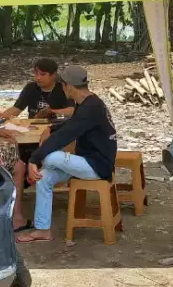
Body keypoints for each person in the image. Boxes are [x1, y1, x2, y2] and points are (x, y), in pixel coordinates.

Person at [17, 65, 117, 243]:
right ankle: (43, 230)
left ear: (68, 86)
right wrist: (52, 127)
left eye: (62, 85)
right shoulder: (88, 102)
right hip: (86, 160)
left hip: (97, 165)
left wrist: (34, 159)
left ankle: (32, 172)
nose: (62, 88)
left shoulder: (90, 108)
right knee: (44, 178)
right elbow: (73, 125)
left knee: (51, 157)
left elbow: (66, 135)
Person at [0, 58, 76, 231]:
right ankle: (18, 191)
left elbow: (72, 110)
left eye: (43, 74)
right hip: (29, 133)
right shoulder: (31, 88)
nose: (38, 78)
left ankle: (27, 185)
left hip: (53, 134)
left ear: (54, 75)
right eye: (36, 73)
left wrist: (52, 112)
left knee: (39, 157)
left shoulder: (62, 89)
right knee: (15, 154)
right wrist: (0, 118)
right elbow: (16, 110)